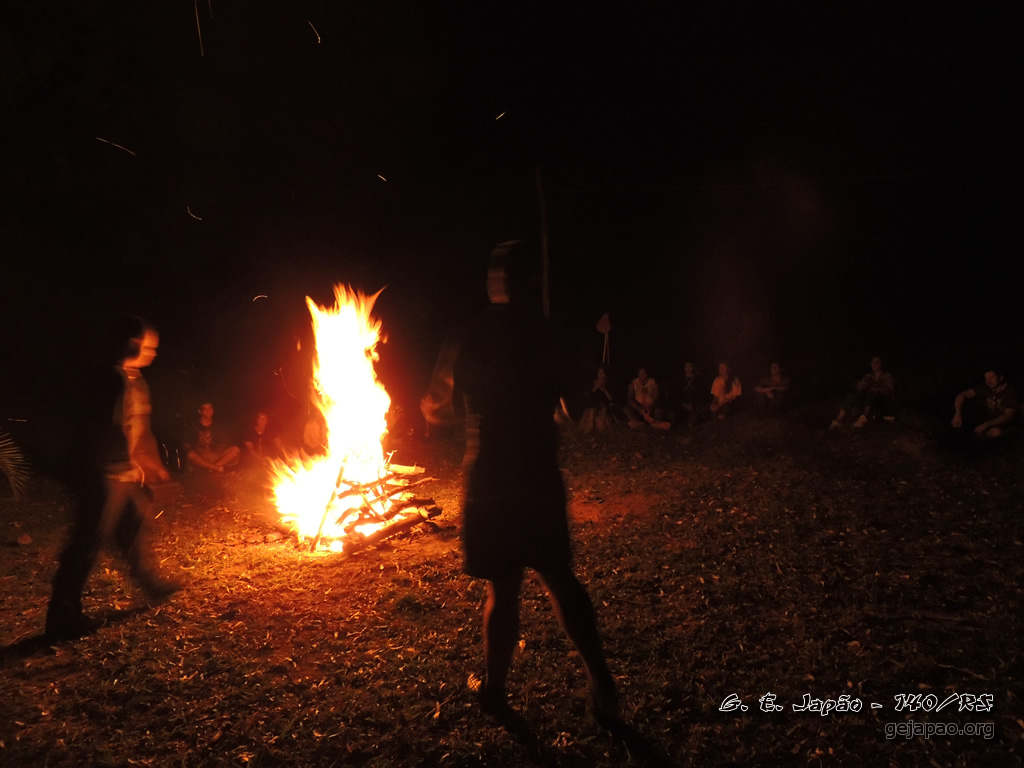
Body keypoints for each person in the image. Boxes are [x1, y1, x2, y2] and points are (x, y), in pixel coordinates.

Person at [457, 241, 620, 727]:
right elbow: (569, 411)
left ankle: (494, 689)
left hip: (492, 476)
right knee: (558, 576)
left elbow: (442, 406)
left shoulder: (474, 332)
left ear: (497, 281)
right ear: (532, 283)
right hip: (537, 472)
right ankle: (601, 680)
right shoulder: (548, 335)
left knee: (503, 587)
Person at [46, 316, 182, 640]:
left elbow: (141, 428)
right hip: (102, 473)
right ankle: (62, 617)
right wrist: (119, 467)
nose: (154, 352)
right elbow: (107, 430)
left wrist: (152, 464)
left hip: (122, 472)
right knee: (87, 543)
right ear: (132, 344)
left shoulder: (136, 380)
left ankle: (149, 583)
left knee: (133, 524)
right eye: (149, 346)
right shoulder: (110, 380)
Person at [830, 356, 896, 430]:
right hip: (869, 400)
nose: (874, 364)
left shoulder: (887, 376)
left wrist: (877, 389)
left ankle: (863, 418)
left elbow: (890, 391)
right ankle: (838, 420)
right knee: (852, 396)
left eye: (877, 362)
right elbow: (861, 387)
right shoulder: (869, 376)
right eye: (873, 362)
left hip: (881, 402)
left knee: (871, 393)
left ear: (881, 364)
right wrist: (861, 386)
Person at [951, 370, 1018, 439]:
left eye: (991, 378)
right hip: (985, 418)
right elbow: (962, 395)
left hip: (1000, 423)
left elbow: (1008, 416)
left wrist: (986, 425)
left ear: (1001, 377)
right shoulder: (986, 387)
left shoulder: (1010, 392)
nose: (988, 381)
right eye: (986, 378)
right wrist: (958, 413)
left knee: (996, 432)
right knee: (958, 421)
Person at [183, 402, 241, 472]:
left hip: (216, 456)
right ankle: (216, 468)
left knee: (235, 449)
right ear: (199, 411)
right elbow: (186, 446)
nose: (208, 411)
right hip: (202, 457)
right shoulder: (193, 427)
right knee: (191, 454)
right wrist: (199, 445)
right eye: (205, 409)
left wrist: (217, 450)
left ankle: (212, 468)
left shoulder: (218, 426)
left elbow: (224, 444)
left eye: (210, 408)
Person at [578, 366, 619, 433]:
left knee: (601, 413)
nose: (600, 375)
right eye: (599, 373)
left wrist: (604, 390)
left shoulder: (608, 384)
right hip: (593, 405)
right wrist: (595, 387)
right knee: (590, 412)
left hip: (603, 406)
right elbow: (589, 395)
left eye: (602, 373)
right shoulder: (593, 383)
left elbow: (611, 398)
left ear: (605, 374)